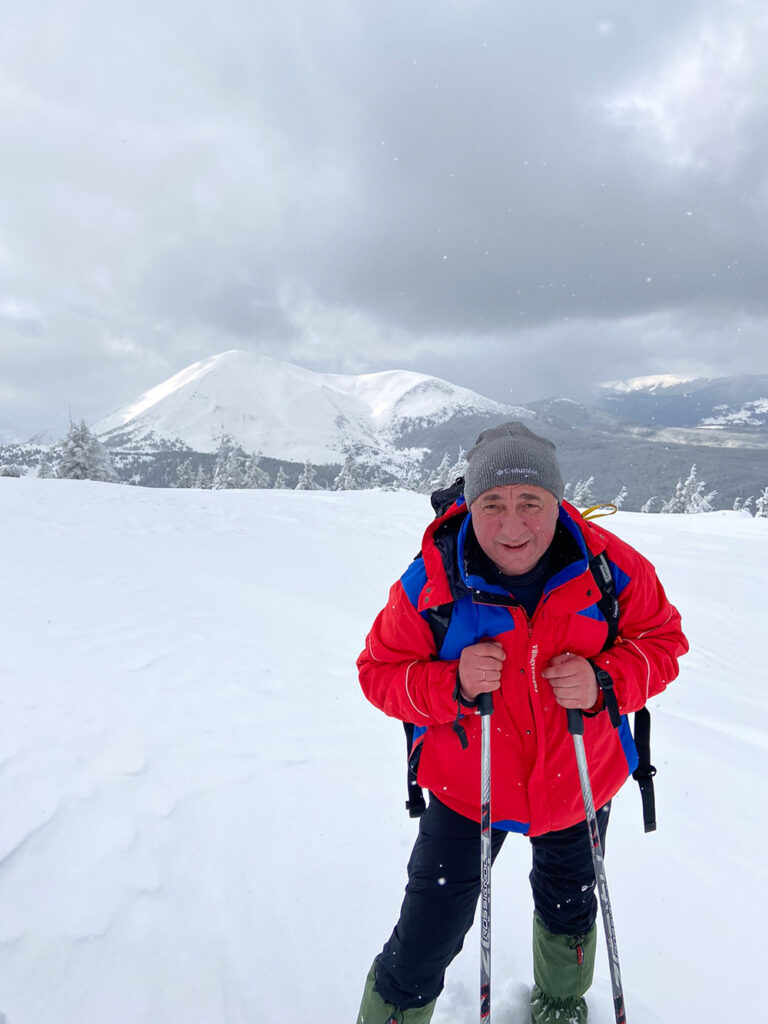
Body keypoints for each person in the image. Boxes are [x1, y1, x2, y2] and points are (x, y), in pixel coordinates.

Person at [354, 421, 688, 1024]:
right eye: (493, 504)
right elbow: (378, 671)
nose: (512, 526)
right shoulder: (433, 582)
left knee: (570, 909)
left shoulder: (608, 567)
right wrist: (451, 684)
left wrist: (605, 680)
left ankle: (561, 1006)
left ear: (557, 502)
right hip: (466, 787)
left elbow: (663, 641)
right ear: (470, 505)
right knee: (427, 933)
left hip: (578, 781)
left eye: (530, 502)